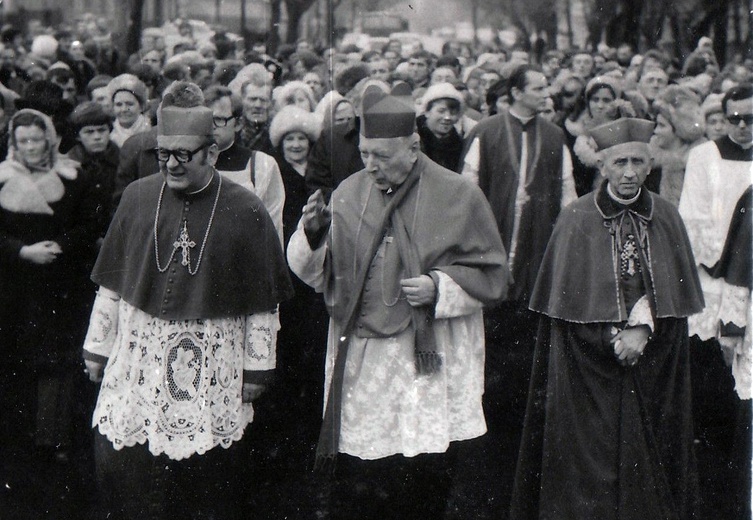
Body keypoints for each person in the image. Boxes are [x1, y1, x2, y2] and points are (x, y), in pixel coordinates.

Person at [287, 83, 508, 520]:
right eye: (365, 153)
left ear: (413, 146)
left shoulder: (458, 194)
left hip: (426, 355)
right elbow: (315, 275)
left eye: (381, 156)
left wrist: (440, 287)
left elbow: (493, 275)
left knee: (423, 470)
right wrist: (312, 235)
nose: (370, 165)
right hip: (365, 358)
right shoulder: (349, 191)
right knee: (364, 474)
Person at [81, 83, 293, 519]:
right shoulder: (138, 197)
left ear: (211, 154)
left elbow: (263, 302)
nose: (171, 164)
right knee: (131, 471)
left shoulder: (246, 208)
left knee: (205, 483)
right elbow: (113, 283)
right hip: (142, 353)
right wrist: (97, 348)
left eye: (183, 154)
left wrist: (258, 368)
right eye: (164, 154)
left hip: (212, 356)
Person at [510, 118, 704, 520]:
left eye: (637, 161)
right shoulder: (576, 217)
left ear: (650, 165)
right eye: (620, 163)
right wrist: (610, 337)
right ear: (602, 166)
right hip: (587, 368)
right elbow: (564, 306)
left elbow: (675, 294)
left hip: (653, 360)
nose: (629, 172)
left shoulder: (666, 216)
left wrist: (643, 328)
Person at [459, 64, 576, 517]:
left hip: (534, 263)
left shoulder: (555, 136)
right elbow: (466, 195)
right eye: (540, 86)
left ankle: (518, 436)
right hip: (489, 260)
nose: (547, 93)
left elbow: (566, 198)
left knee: (524, 364)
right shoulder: (486, 132)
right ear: (516, 93)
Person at [0, 109, 99, 464]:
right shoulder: (1, 178)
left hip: (61, 284)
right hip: (13, 285)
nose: (30, 147)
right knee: (14, 359)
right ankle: (16, 442)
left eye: (36, 139)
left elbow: (91, 224)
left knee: (57, 362)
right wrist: (22, 251)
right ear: (13, 142)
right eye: (22, 140)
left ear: (50, 139)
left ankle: (53, 440)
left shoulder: (74, 177)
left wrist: (59, 247)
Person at [678, 83, 753, 517]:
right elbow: (694, 217)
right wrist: (729, 264)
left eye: (751, 119)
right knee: (715, 395)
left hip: (748, 282)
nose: (743, 128)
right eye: (735, 119)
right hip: (713, 284)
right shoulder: (705, 156)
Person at [204, 85, 284, 244]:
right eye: (205, 119)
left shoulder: (261, 165)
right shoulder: (189, 163)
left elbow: (272, 231)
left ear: (239, 123)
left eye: (219, 119)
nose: (210, 126)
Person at [416, 82, 465, 172]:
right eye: (441, 111)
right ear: (427, 112)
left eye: (453, 113)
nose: (447, 117)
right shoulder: (415, 138)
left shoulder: (458, 144)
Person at [107, 74, 151, 147]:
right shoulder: (109, 134)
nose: (124, 109)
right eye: (119, 104)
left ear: (141, 106)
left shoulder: (151, 130)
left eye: (129, 104)